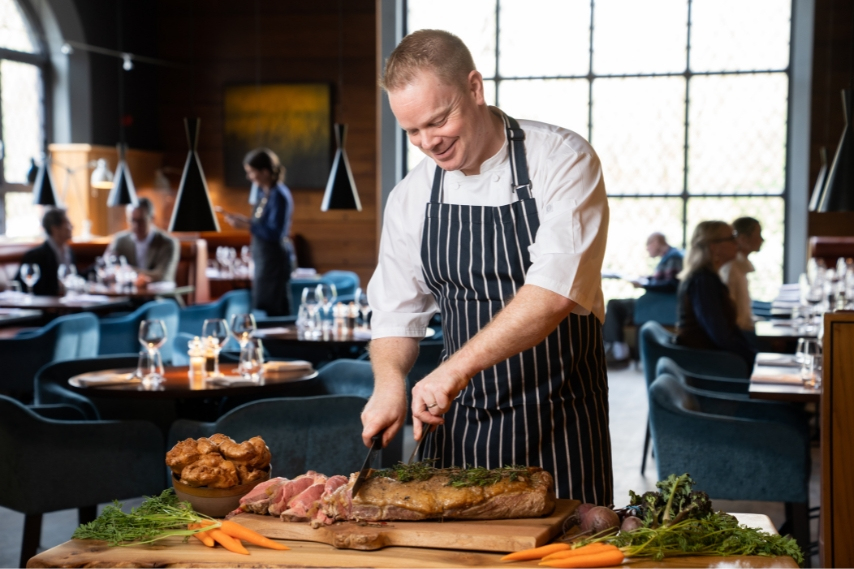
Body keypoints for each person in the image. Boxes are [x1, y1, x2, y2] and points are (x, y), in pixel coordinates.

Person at [362, 30, 612, 503]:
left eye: (438, 121)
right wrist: (390, 382)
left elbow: (553, 292)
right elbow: (396, 312)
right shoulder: (412, 196)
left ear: (475, 88)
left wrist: (449, 371)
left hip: (558, 424)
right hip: (458, 425)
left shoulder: (560, 160)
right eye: (412, 131)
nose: (428, 143)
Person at [675, 220, 756, 369]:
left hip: (716, 358)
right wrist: (754, 359)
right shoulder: (703, 281)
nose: (737, 243)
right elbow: (721, 335)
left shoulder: (709, 277)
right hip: (708, 363)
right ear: (714, 247)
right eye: (731, 238)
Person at [223, 148, 294, 317]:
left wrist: (247, 226)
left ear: (265, 171)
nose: (249, 177)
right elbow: (262, 224)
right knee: (262, 305)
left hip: (274, 261)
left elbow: (275, 232)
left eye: (251, 172)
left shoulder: (279, 195)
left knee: (274, 307)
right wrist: (244, 221)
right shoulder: (264, 192)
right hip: (264, 260)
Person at [603, 232, 683, 363]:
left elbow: (672, 284)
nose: (647, 249)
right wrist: (647, 279)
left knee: (613, 305)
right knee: (614, 306)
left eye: (649, 244)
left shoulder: (673, 257)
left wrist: (645, 285)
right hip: (653, 301)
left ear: (657, 242)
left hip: (657, 304)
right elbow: (664, 280)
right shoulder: (669, 257)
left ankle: (619, 352)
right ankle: (616, 347)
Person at [106, 197, 180, 285]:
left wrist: (127, 270)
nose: (136, 225)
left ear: (152, 218)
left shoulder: (168, 243)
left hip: (160, 296)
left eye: (141, 220)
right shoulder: (120, 240)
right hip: (128, 296)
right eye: (132, 220)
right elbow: (107, 266)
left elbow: (162, 276)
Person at [15, 208, 74, 296]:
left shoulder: (69, 251)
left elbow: (75, 277)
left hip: (69, 304)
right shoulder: (35, 255)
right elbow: (21, 286)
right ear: (54, 228)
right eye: (67, 224)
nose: (72, 227)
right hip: (44, 306)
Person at [719, 217, 764, 332]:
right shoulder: (731, 269)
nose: (762, 239)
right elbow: (732, 319)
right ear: (743, 239)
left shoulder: (740, 267)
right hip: (741, 336)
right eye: (758, 234)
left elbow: (744, 314)